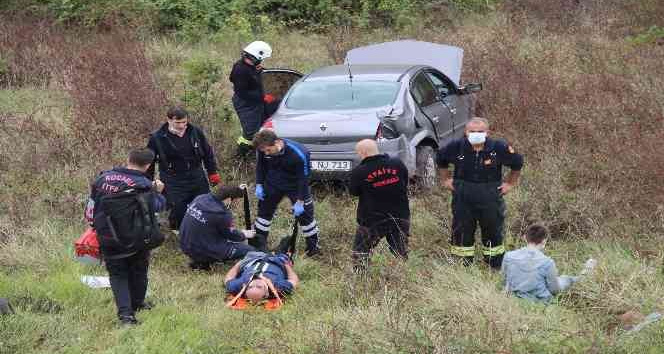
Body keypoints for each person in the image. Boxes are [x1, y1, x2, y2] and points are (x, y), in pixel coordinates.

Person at [85, 148, 166, 325]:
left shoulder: (102, 178)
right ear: (147, 166)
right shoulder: (143, 184)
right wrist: (158, 192)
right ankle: (137, 304)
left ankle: (126, 315)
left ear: (128, 159)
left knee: (117, 274)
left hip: (107, 235)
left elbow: (90, 208)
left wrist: (93, 226)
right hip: (136, 237)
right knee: (139, 269)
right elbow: (158, 206)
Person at [437, 117, 524, 268]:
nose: (476, 134)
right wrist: (446, 179)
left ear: (487, 132)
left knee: (493, 229)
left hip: (490, 194)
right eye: (472, 131)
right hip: (462, 195)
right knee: (461, 229)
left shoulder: (499, 148)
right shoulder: (456, 147)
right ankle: (461, 264)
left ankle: (495, 264)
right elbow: (441, 159)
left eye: (480, 131)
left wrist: (510, 183)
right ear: (466, 132)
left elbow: (517, 162)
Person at [147, 106, 220, 231]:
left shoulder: (195, 132)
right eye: (177, 122)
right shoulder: (157, 137)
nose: (181, 126)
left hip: (196, 175)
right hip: (172, 179)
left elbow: (207, 153)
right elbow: (149, 161)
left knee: (204, 204)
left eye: (184, 122)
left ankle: (205, 230)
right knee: (178, 208)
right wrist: (147, 182)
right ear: (169, 120)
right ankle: (180, 232)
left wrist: (212, 172)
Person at [252, 129, 321, 256]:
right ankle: (259, 245)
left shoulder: (299, 153)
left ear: (277, 142)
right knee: (263, 214)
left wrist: (300, 201)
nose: (266, 153)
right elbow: (260, 167)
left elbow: (303, 179)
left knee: (306, 216)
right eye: (264, 151)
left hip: (295, 185)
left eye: (268, 150)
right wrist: (259, 184)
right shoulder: (262, 148)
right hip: (273, 182)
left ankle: (313, 248)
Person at [349, 139, 410, 271]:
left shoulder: (359, 172)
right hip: (400, 215)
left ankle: (361, 279)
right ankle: (403, 275)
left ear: (363, 153)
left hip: (371, 220)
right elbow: (405, 181)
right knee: (400, 251)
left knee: (361, 251)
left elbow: (353, 192)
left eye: (358, 153)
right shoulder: (397, 163)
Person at [502, 224, 596, 302]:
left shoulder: (508, 256)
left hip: (513, 296)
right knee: (565, 279)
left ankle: (582, 275)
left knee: (555, 280)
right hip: (538, 299)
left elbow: (505, 280)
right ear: (544, 241)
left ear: (525, 238)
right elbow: (555, 290)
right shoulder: (547, 262)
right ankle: (584, 274)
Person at [179, 186, 257, 270]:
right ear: (229, 199)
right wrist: (243, 234)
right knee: (250, 251)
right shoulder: (222, 214)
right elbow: (231, 236)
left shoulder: (200, 198)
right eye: (236, 201)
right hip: (201, 250)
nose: (236, 203)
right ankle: (203, 260)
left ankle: (199, 259)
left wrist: (237, 190)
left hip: (184, 244)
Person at [229, 40, 276, 158]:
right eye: (261, 59)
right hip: (246, 104)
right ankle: (241, 158)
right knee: (250, 134)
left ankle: (258, 154)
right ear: (256, 56)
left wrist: (257, 71)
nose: (262, 61)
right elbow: (242, 92)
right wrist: (263, 97)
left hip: (256, 103)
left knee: (260, 128)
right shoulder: (240, 69)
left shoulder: (251, 67)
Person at [224, 252, 299, 303]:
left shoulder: (239, 284)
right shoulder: (278, 286)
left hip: (253, 258)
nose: (255, 282)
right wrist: (287, 265)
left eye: (250, 287)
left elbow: (228, 278)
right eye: (259, 287)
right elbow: (294, 280)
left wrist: (239, 264)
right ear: (266, 293)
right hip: (277, 261)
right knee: (286, 251)